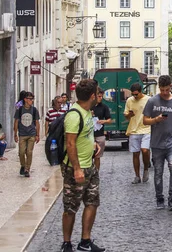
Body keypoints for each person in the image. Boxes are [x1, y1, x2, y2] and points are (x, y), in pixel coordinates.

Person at [60, 79, 104, 252]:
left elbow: (84, 135)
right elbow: (70, 144)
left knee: (92, 202)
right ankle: (66, 243)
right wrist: (77, 169)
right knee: (70, 207)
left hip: (90, 166)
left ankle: (85, 241)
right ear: (92, 96)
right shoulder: (74, 114)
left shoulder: (86, 112)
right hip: (75, 168)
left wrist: (93, 145)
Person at [142, 75, 172, 211]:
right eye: (162, 90)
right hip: (157, 144)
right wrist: (156, 120)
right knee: (158, 173)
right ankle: (159, 197)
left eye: (167, 90)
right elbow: (145, 120)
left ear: (170, 87)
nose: (164, 93)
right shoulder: (152, 101)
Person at [124, 83, 151, 184]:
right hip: (134, 129)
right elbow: (126, 116)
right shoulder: (129, 100)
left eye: (136, 94)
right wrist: (129, 115)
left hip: (146, 129)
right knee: (135, 153)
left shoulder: (148, 100)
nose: (135, 96)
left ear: (141, 92)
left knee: (145, 150)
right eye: (133, 94)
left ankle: (146, 169)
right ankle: (137, 176)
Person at [13, 91, 40, 178]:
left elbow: (37, 122)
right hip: (22, 134)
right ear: (25, 99)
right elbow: (16, 121)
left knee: (29, 152)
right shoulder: (20, 110)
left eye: (32, 99)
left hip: (31, 134)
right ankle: (23, 165)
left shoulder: (34, 110)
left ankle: (27, 169)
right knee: (21, 152)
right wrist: (15, 134)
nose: (31, 100)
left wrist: (37, 134)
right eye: (30, 99)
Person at [92, 88, 112, 171]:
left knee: (98, 156)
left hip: (99, 134)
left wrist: (103, 121)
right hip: (89, 134)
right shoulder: (89, 106)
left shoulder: (104, 107)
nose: (100, 98)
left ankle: (96, 173)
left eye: (101, 96)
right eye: (99, 96)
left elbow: (109, 120)